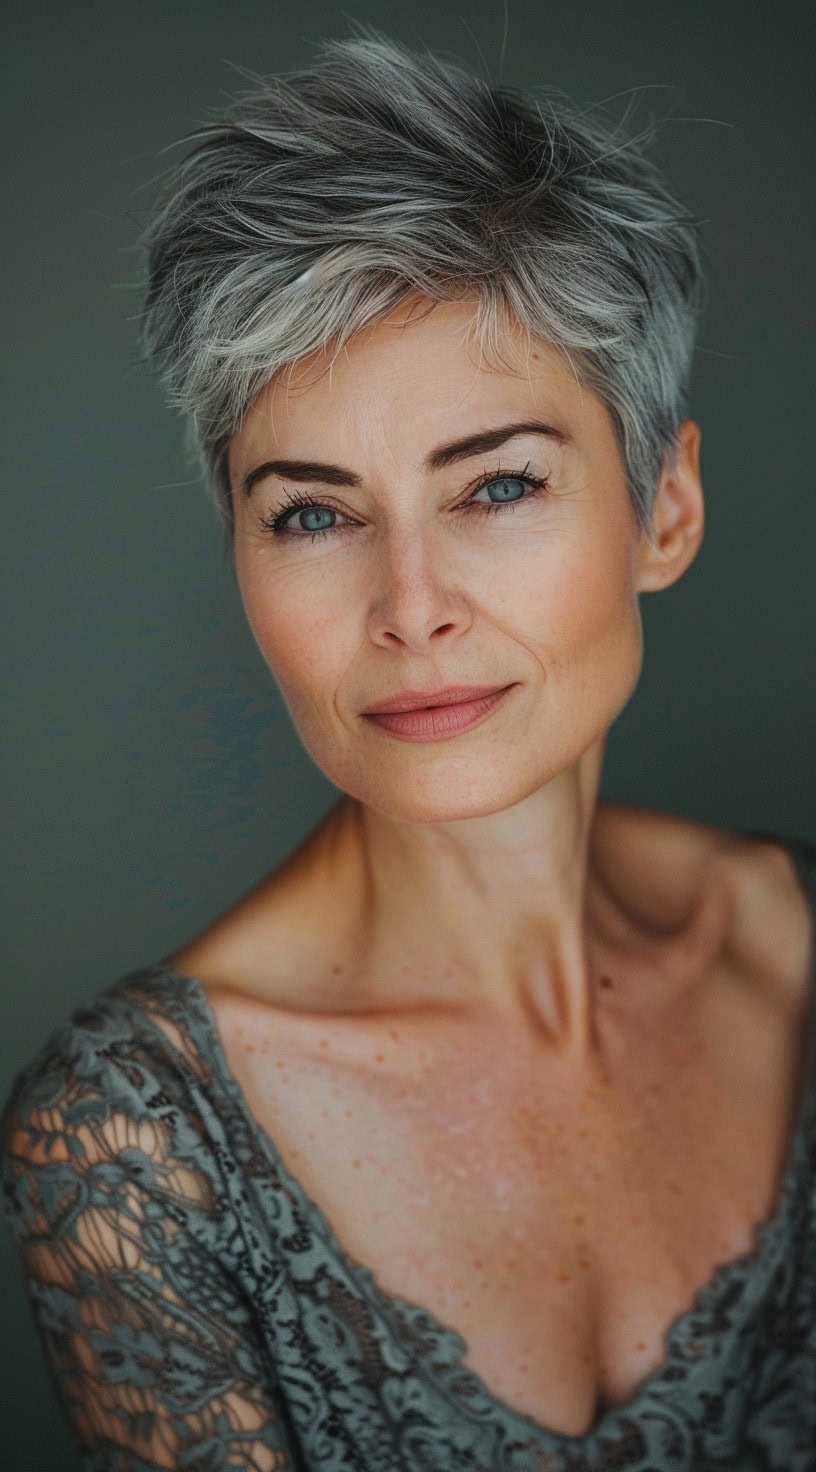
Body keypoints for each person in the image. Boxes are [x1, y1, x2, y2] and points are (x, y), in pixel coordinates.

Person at [2, 29, 814, 1472]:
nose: (411, 609)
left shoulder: (797, 947)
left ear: (666, 513)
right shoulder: (132, 1139)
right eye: (313, 513)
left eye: (498, 484)